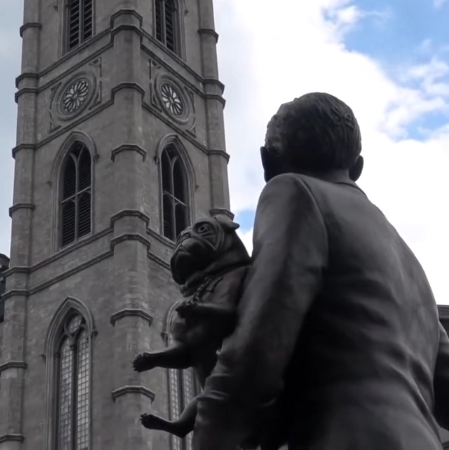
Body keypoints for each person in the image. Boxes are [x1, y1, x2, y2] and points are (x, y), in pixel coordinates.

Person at [192, 92, 449, 450]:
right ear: (357, 167)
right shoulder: (408, 261)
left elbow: (256, 352)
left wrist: (210, 435)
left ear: (267, 162)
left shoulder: (293, 190)